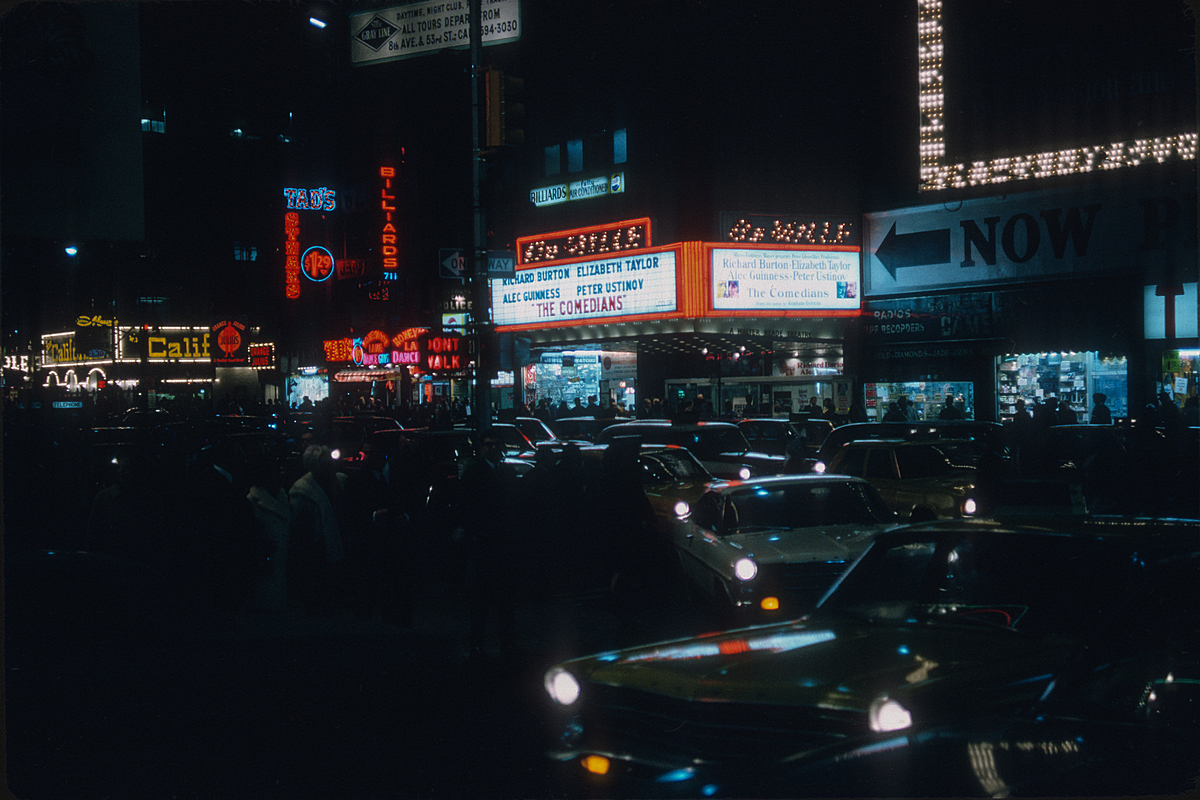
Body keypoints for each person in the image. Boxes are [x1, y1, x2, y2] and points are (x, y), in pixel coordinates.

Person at [459, 428, 520, 660]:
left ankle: (508, 642)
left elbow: (514, 506)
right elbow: (466, 506)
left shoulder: (506, 472)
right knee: (482, 598)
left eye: (495, 444)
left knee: (505, 597)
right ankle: (477, 644)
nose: (492, 448)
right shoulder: (474, 473)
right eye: (487, 445)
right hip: (485, 543)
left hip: (503, 542)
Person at [288, 445, 348, 615]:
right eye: (326, 464)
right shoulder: (302, 492)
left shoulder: (339, 482)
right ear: (316, 467)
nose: (331, 466)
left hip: (337, 549)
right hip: (317, 555)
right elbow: (301, 534)